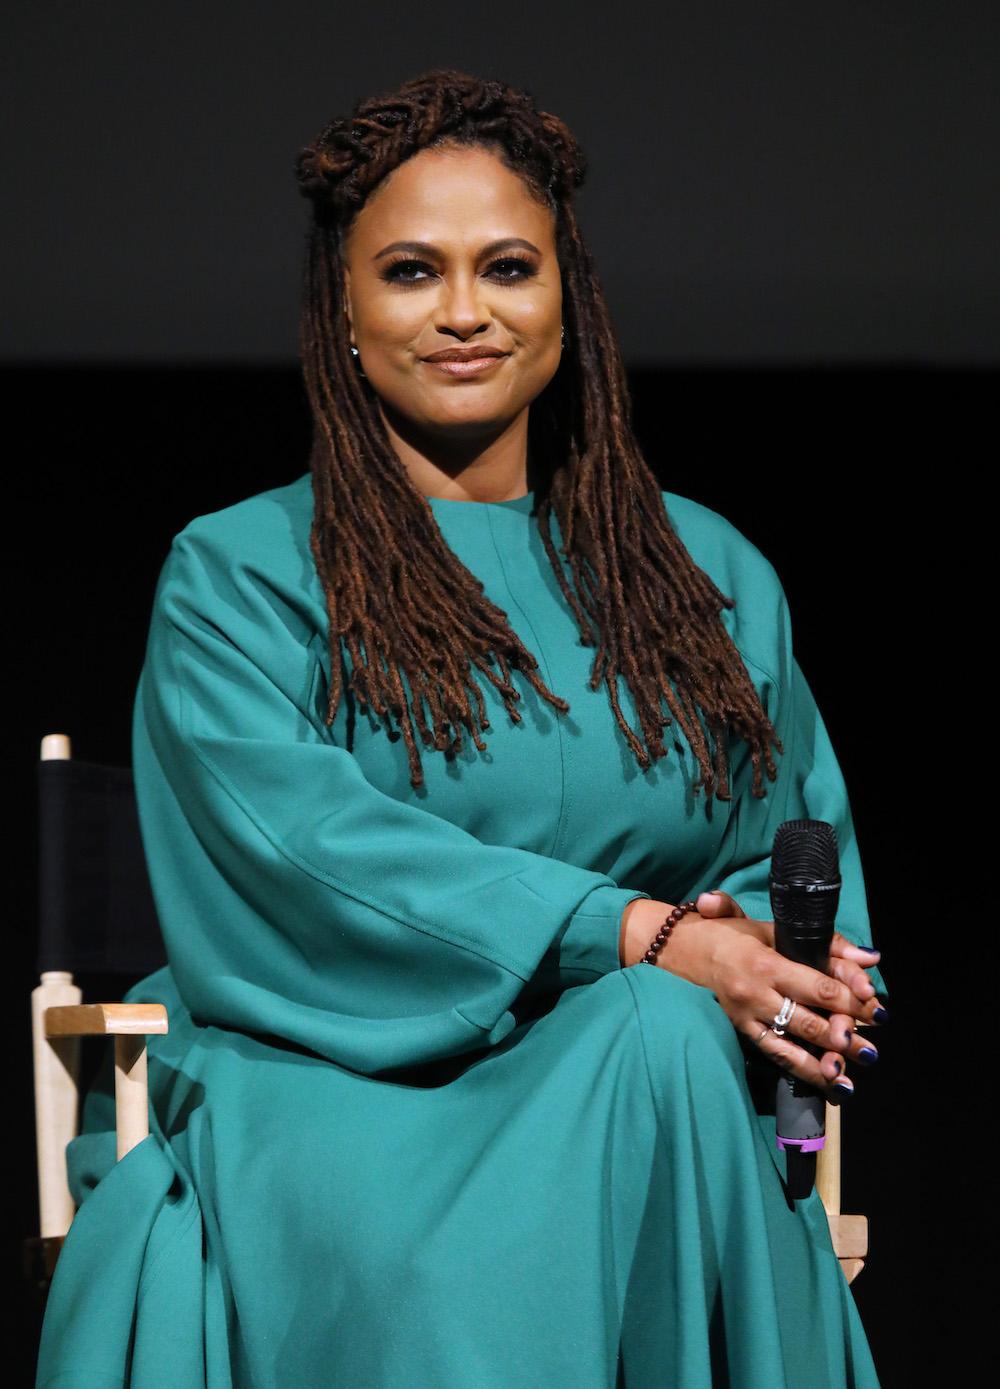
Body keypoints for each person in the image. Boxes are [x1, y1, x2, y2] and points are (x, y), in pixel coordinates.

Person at [36, 68, 889, 1389]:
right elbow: (312, 851)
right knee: (657, 1031)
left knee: (663, 1041)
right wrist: (640, 934)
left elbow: (791, 841)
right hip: (343, 1083)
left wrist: (786, 966)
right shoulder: (243, 571)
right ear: (348, 314)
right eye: (411, 273)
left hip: (663, 1089)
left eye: (506, 266)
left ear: (567, 302)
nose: (465, 312)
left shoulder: (705, 574)